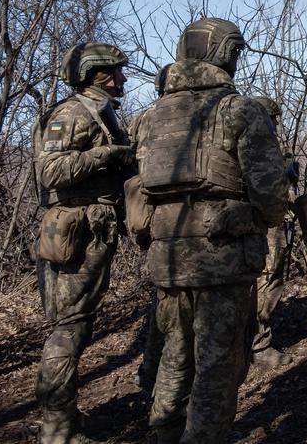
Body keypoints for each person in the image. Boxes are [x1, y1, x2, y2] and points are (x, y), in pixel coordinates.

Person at [133, 18, 289, 443]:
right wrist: (256, 218)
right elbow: (271, 195)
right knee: (218, 363)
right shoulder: (239, 110)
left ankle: (163, 431)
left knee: (174, 354)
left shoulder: (149, 116)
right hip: (222, 258)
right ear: (225, 53)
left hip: (166, 256)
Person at [33, 42, 135, 444]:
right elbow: (51, 170)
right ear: (98, 74)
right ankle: (57, 430)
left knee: (77, 325)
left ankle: (63, 422)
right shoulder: (74, 111)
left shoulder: (97, 110)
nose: (123, 78)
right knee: (68, 328)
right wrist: (108, 155)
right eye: (117, 71)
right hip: (77, 229)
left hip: (92, 227)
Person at [249, 95, 299, 368]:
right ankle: (258, 346)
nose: (275, 124)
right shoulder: (255, 145)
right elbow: (265, 187)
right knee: (266, 282)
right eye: (272, 119)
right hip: (266, 225)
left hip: (269, 223)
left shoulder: (257, 144)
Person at [132, 63, 171, 394]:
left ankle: (151, 372)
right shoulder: (165, 116)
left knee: (164, 298)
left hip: (154, 221)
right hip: (168, 221)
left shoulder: (145, 116)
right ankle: (158, 375)